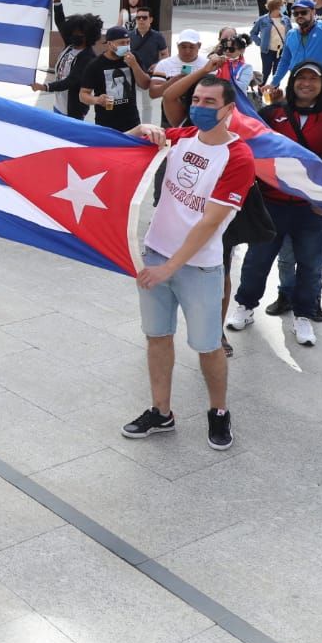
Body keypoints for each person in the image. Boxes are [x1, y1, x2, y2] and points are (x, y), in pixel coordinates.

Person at [120, 77, 255, 451]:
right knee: (157, 337)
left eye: (210, 101)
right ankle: (161, 412)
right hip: (155, 254)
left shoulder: (238, 157)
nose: (200, 106)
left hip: (198, 268)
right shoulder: (179, 137)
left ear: (228, 109)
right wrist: (139, 129)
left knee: (207, 345)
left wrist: (170, 268)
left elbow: (210, 222)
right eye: (196, 99)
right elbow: (121, 150)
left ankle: (219, 412)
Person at [225, 62, 322, 345]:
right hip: (270, 205)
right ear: (293, 82)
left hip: (312, 208)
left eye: (314, 79)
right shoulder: (271, 114)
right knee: (257, 260)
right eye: (301, 78)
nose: (307, 84)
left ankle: (303, 316)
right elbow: (247, 151)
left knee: (311, 264)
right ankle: (246, 306)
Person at [33, 0, 104, 120]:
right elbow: (61, 22)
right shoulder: (70, 45)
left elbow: (71, 81)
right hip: (58, 104)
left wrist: (45, 87)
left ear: (88, 36)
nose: (74, 35)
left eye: (79, 34)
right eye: (73, 32)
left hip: (72, 109)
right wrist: (57, 1)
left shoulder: (88, 57)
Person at [80, 27, 150, 131]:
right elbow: (83, 95)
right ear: (110, 44)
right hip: (106, 123)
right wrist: (97, 100)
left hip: (132, 121)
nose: (126, 46)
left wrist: (134, 65)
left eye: (128, 42)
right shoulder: (95, 65)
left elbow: (145, 84)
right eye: (122, 43)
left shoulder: (133, 58)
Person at [149, 30, 205, 125]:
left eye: (191, 47)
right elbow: (153, 93)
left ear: (199, 46)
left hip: (198, 114)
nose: (187, 51)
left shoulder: (207, 65)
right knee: (169, 139)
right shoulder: (165, 64)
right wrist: (173, 81)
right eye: (183, 47)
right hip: (169, 115)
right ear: (177, 46)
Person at [251, 0, 291, 85]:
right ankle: (260, 94)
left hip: (281, 51)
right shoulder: (262, 20)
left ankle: (274, 96)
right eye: (283, 5)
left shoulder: (286, 19)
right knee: (265, 73)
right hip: (267, 51)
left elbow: (291, 34)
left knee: (277, 75)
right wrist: (260, 42)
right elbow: (253, 33)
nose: (284, 7)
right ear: (276, 7)